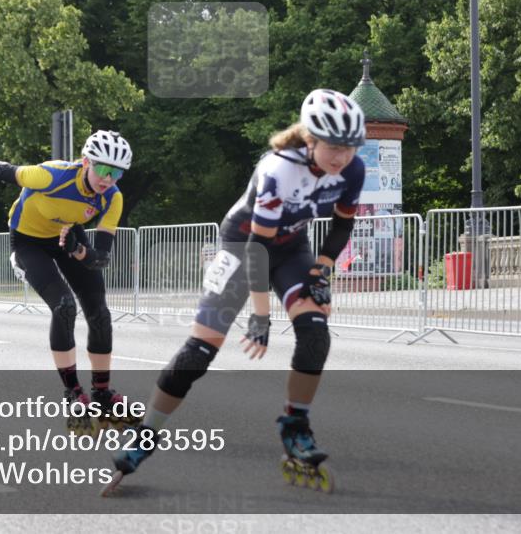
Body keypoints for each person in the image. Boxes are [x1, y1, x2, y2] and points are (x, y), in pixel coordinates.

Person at [102, 89, 366, 495]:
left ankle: (296, 426)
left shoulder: (353, 170)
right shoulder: (279, 169)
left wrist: (321, 269)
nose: (341, 157)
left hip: (293, 247)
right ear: (309, 139)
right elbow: (258, 248)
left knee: (315, 332)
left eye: (350, 148)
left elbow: (342, 225)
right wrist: (260, 315)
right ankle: (145, 436)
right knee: (200, 350)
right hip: (243, 246)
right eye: (333, 147)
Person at [0, 130, 138, 432]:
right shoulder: (51, 176)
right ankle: (73, 393)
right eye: (103, 169)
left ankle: (102, 394)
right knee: (65, 306)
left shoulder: (112, 197)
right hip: (28, 243)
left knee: (99, 311)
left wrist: (79, 250)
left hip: (68, 236)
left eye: (117, 172)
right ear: (85, 162)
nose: (108, 179)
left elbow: (101, 258)